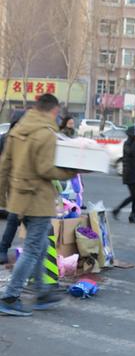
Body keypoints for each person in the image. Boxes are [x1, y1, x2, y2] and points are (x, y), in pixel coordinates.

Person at [0, 94, 79, 316]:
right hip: (38, 199)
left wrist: (3, 197)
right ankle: (10, 297)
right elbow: (46, 169)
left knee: (42, 244)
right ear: (53, 111)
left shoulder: (18, 130)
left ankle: (42, 291)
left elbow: (4, 165)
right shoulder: (45, 134)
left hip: (20, 197)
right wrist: (72, 172)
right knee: (34, 248)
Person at [0, 110, 25, 265]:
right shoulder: (4, 140)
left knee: (20, 218)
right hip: (9, 183)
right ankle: (3, 248)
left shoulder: (26, 140)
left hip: (24, 184)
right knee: (14, 217)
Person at [112, 125, 135, 224]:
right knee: (133, 195)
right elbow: (131, 152)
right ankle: (117, 210)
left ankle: (132, 215)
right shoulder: (127, 143)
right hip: (129, 173)